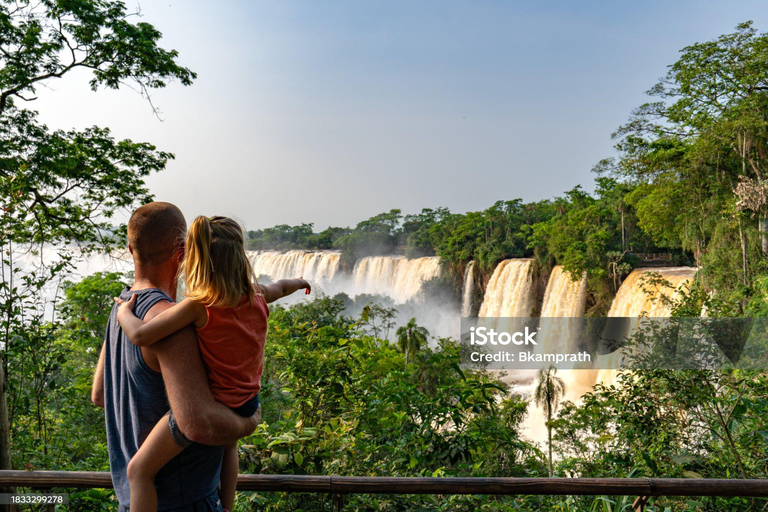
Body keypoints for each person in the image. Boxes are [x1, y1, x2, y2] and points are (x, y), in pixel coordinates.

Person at [113, 215, 311, 512]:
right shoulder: (256, 295)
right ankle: (228, 507)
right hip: (245, 401)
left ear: (193, 261)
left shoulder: (197, 307)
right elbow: (281, 287)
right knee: (229, 445)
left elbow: (140, 334)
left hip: (216, 405)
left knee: (139, 471)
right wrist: (300, 282)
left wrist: (123, 314)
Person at [92, 202, 261, 512]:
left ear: (131, 249)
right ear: (183, 252)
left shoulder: (122, 307)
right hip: (183, 502)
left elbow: (101, 394)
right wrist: (248, 422)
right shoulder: (171, 324)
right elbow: (197, 423)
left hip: (133, 501)